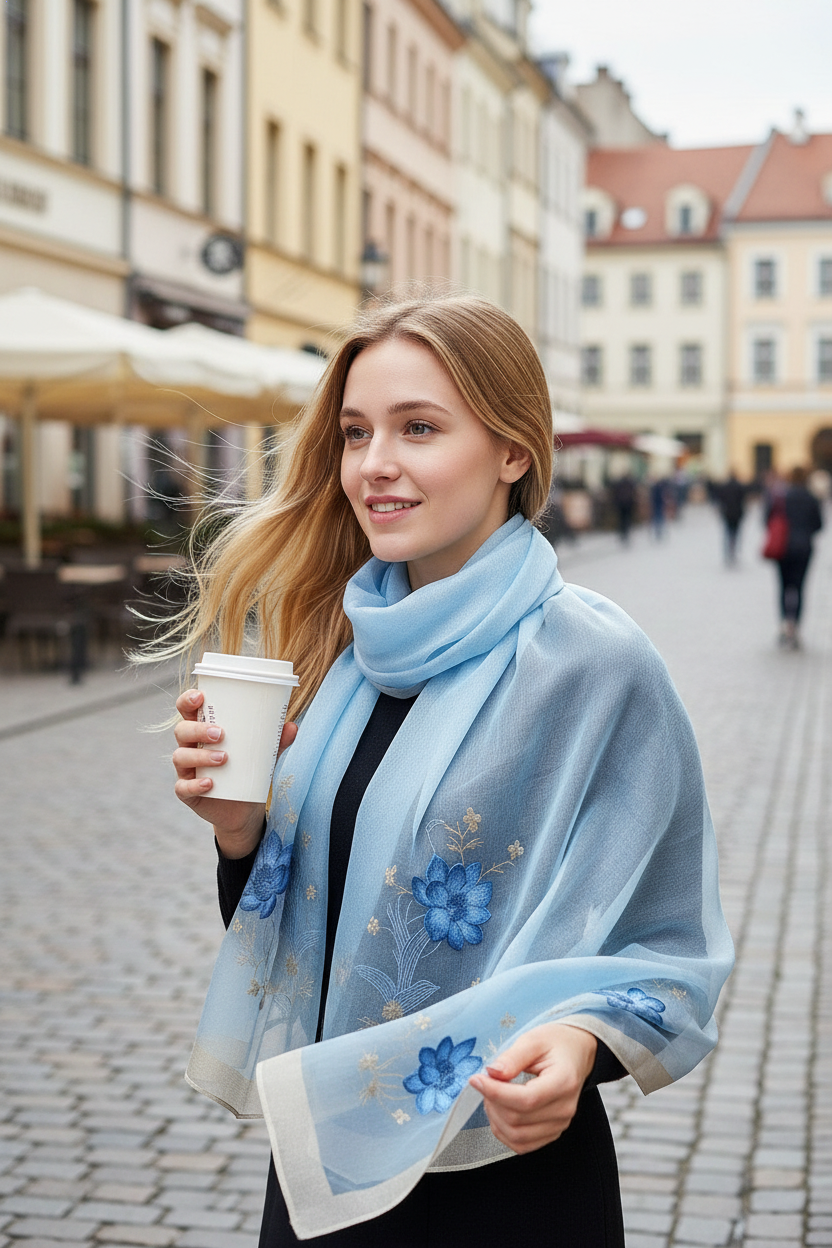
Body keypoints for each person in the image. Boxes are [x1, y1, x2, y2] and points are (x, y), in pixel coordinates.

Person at [161, 296, 732, 1247]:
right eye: (355, 432)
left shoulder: (593, 663)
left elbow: (668, 938)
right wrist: (238, 830)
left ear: (513, 450)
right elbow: (323, 926)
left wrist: (581, 1044)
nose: (374, 463)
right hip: (328, 1165)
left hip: (503, 1173)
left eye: (418, 428)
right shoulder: (344, 654)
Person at [769, 466, 823, 649]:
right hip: (804, 549)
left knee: (783, 586)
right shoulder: (812, 498)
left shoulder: (781, 496)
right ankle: (796, 626)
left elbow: (768, 519)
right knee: (799, 588)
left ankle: (785, 623)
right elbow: (819, 524)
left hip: (782, 548)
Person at [717, 472, 748, 565]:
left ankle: (728, 551)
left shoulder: (724, 486)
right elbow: (743, 500)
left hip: (727, 513)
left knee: (727, 533)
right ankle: (733, 551)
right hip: (737, 513)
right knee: (736, 533)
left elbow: (721, 500)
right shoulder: (739, 486)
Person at [609, 473, 637, 544]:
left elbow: (615, 493)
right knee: (626, 519)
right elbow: (633, 493)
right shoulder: (630, 484)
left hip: (621, 504)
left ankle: (623, 532)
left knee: (622, 519)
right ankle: (625, 532)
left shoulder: (619, 484)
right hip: (627, 504)